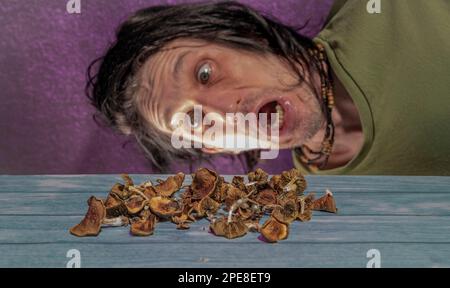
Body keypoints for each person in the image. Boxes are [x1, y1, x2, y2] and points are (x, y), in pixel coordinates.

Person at [87, 0, 450, 175]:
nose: (225, 110)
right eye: (194, 121)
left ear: (245, 33)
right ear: (214, 146)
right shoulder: (324, 213)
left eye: (205, 73)